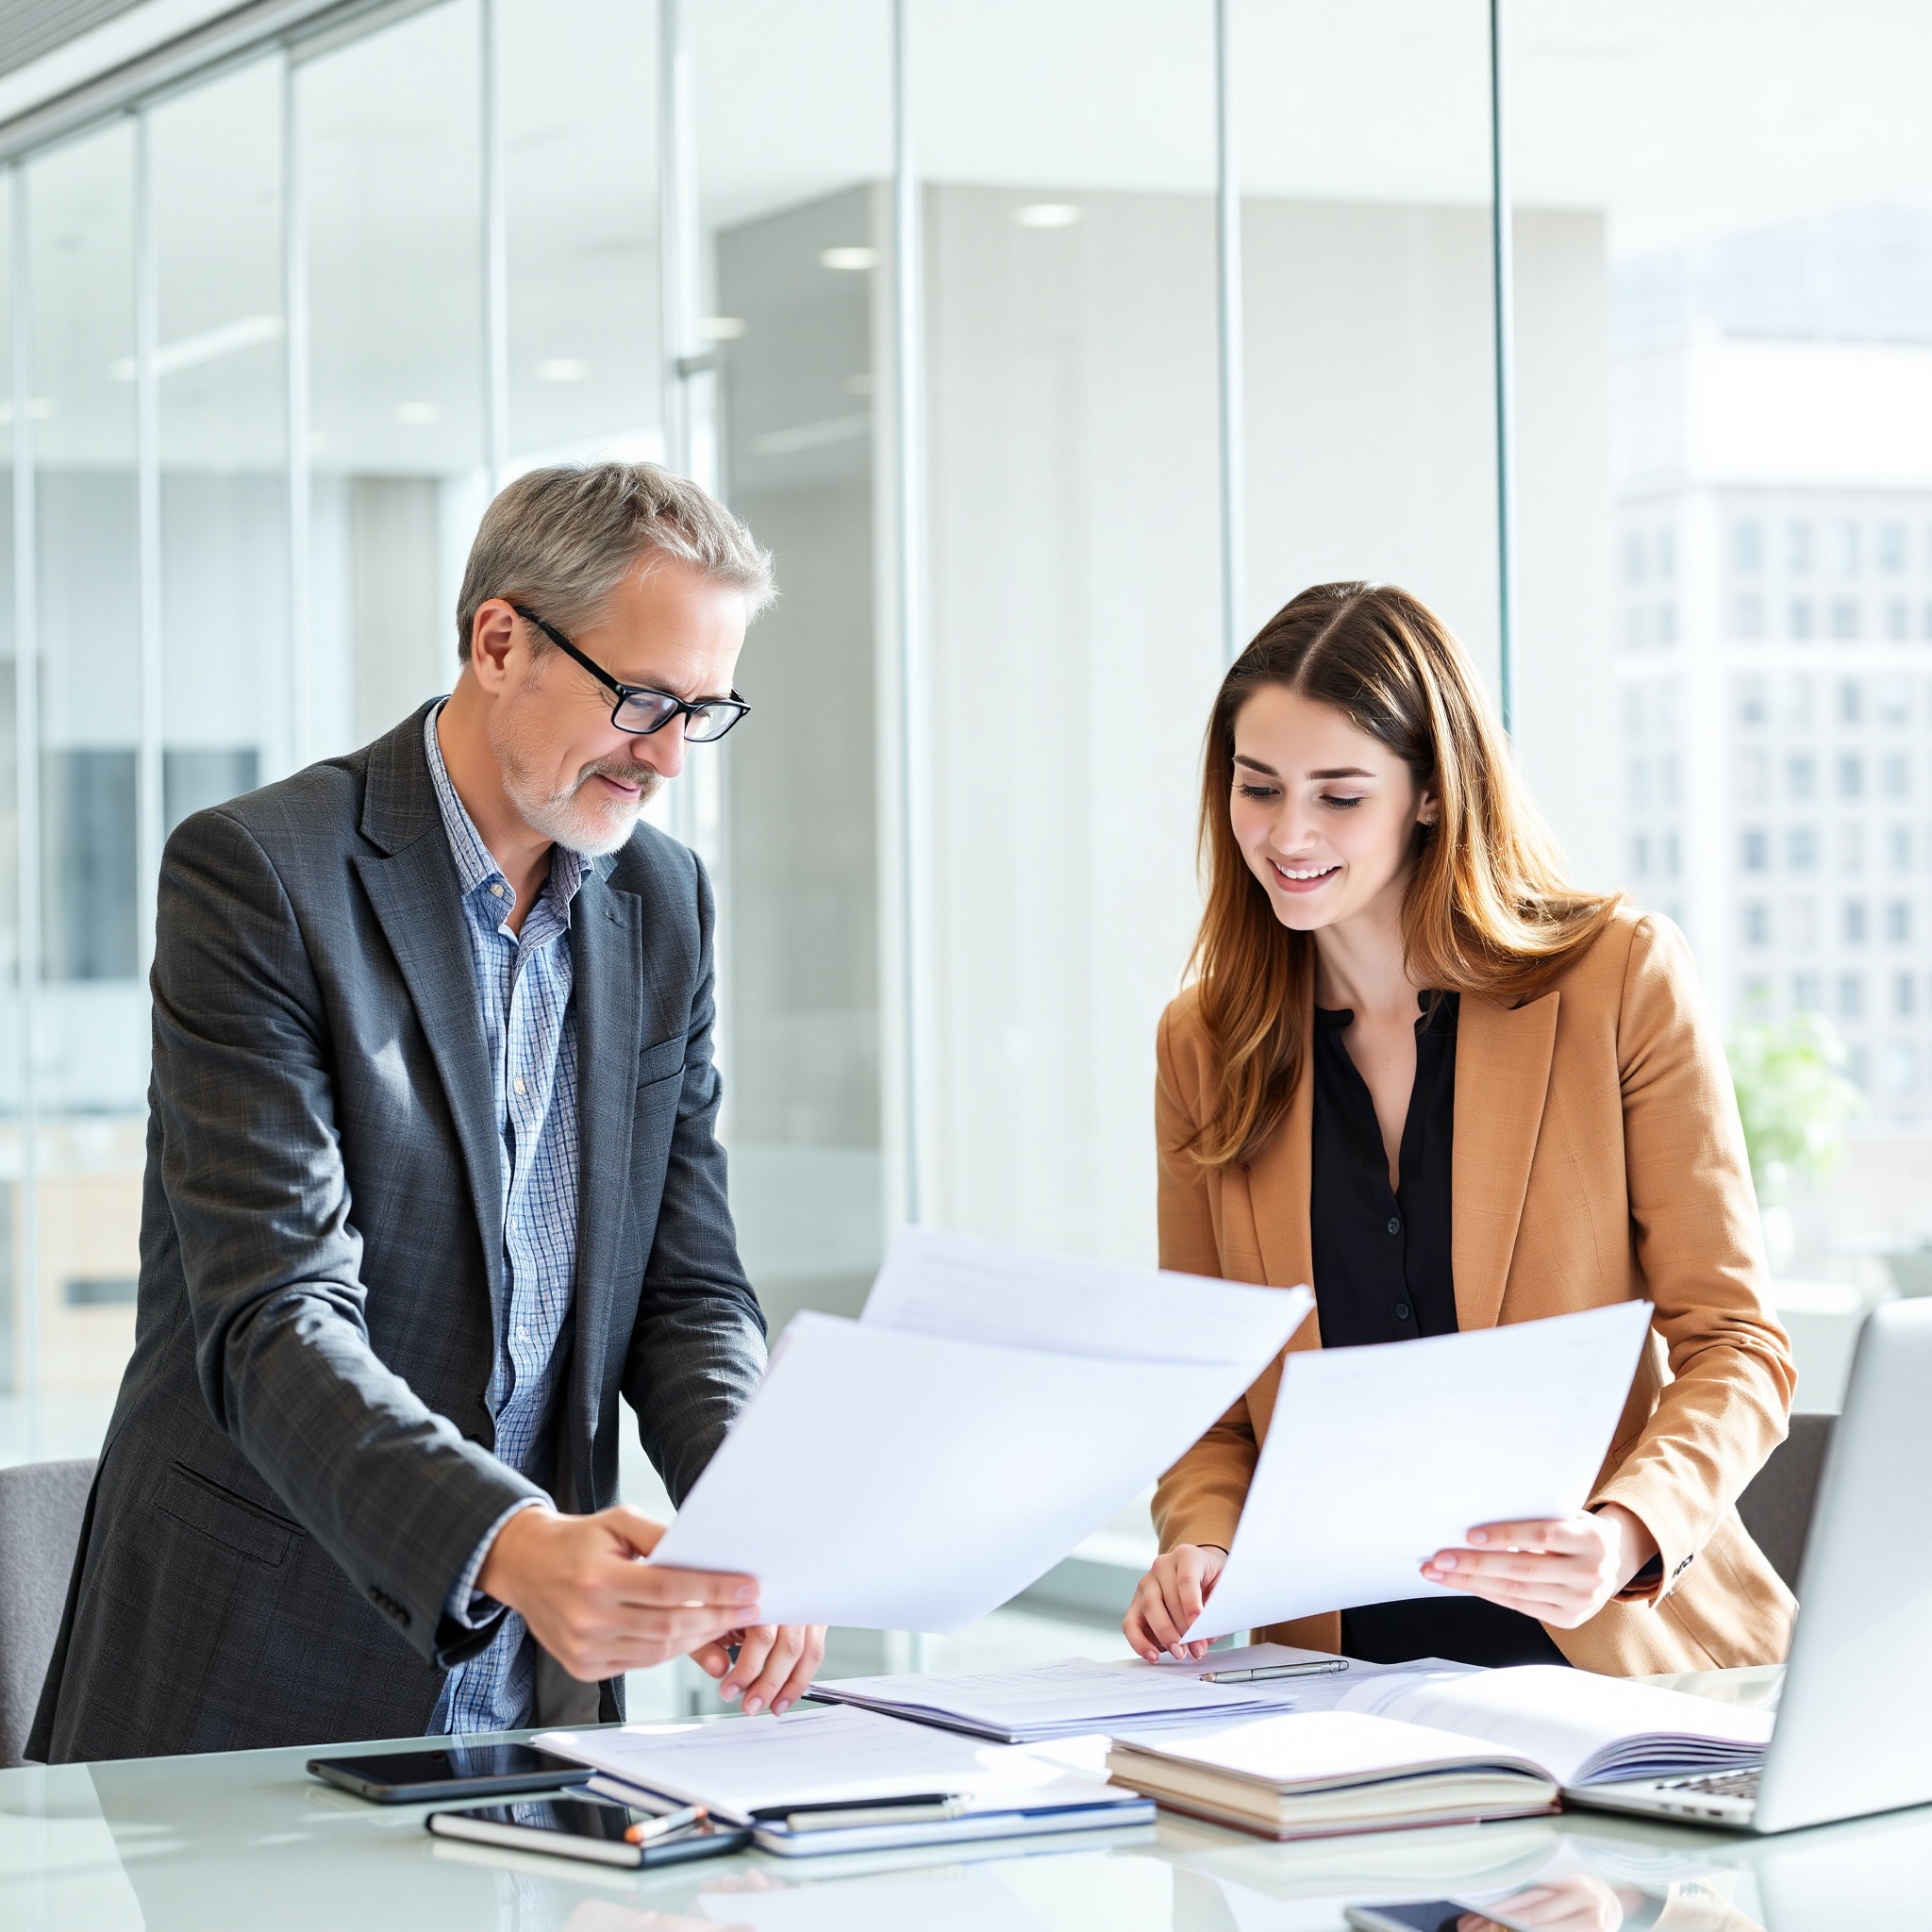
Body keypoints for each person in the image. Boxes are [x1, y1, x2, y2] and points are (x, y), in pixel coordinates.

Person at [32, 463, 825, 1762]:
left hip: (536, 1712)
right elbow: (273, 1320)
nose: (673, 756)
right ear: (499, 639)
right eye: (642, 700)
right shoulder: (265, 879)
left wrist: (755, 1518)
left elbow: (685, 1287)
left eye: (705, 710)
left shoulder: (660, 905)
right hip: (255, 1676)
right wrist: (510, 1548)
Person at [1124, 581, 1796, 1675]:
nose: (1286, 833)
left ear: (1430, 794)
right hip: (1336, 1689)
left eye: (1338, 796)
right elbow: (1210, 1396)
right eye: (1258, 787)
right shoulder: (1204, 1041)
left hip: (1612, 1665)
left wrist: (1623, 1532)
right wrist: (1198, 1541)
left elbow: (1736, 1343)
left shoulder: (1617, 978)